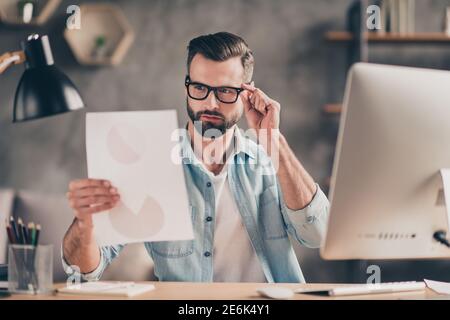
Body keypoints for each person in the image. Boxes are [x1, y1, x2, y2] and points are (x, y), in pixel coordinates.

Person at [62, 32, 329, 283]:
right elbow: (83, 273)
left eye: (225, 91)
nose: (211, 103)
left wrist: (274, 140)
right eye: (200, 87)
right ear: (187, 86)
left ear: (248, 93)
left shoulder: (270, 159)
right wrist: (84, 225)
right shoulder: (151, 164)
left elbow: (318, 234)